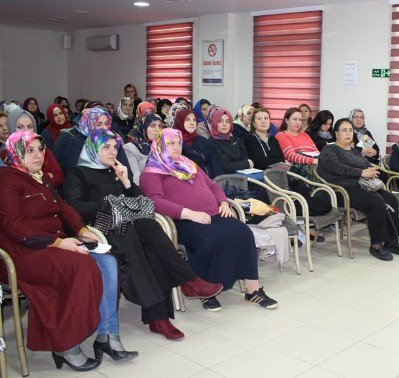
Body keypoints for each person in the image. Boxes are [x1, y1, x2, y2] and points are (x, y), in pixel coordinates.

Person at [62, 129, 223, 339]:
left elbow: (144, 202)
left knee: (149, 234)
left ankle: (161, 317)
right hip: (101, 229)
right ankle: (185, 285)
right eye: (106, 147)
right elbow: (73, 207)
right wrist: (107, 205)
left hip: (130, 225)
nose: (112, 152)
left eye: (114, 147)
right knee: (144, 232)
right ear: (92, 149)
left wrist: (127, 182)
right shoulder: (78, 174)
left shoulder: (115, 172)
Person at [0, 131, 137, 371]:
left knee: (107, 261)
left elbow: (64, 209)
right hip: (21, 253)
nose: (37, 155)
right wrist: (59, 243)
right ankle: (66, 343)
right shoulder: (7, 179)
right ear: (14, 153)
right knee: (83, 265)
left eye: (40, 149)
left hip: (53, 245)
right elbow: (14, 226)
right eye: (29, 150)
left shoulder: (40, 178)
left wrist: (82, 229)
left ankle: (107, 335)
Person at [140, 128, 278, 310]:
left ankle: (253, 291)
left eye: (178, 143)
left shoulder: (188, 164)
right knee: (211, 238)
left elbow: (213, 186)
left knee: (243, 232)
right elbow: (154, 202)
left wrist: (223, 203)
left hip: (214, 214)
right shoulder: (152, 171)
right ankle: (208, 291)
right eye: (170, 143)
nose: (176, 148)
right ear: (159, 145)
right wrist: (189, 213)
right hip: (182, 221)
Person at [317, 118, 399, 261]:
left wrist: (370, 170)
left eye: (350, 130)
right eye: (344, 130)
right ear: (336, 133)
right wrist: (361, 173)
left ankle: (392, 241)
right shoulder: (330, 149)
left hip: (363, 185)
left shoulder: (354, 150)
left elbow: (365, 163)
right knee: (377, 202)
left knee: (391, 199)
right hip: (343, 189)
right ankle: (376, 245)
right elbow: (336, 168)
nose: (348, 133)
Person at [54, 107, 133, 178]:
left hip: (113, 184)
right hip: (88, 188)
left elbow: (127, 171)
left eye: (106, 124)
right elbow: (72, 173)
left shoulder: (113, 140)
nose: (104, 128)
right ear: (89, 124)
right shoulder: (77, 142)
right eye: (99, 124)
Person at [4, 108, 64, 187]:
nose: (26, 130)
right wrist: (47, 176)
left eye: (30, 126)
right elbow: (17, 185)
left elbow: (59, 176)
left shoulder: (41, 148)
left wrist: (39, 179)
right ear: (11, 128)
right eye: (20, 127)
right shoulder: (5, 154)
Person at [206, 106, 255, 178]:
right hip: (224, 181)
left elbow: (245, 159)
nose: (224, 124)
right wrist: (245, 164)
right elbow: (226, 166)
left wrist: (242, 164)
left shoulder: (236, 140)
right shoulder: (211, 143)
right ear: (215, 123)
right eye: (220, 121)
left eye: (227, 121)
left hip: (242, 177)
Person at [124, 114, 163, 185]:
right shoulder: (130, 148)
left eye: (160, 126)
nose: (157, 130)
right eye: (152, 126)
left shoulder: (162, 146)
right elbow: (136, 179)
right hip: (144, 189)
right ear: (143, 127)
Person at [174, 108, 214, 176]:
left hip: (209, 180)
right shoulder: (175, 142)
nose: (192, 123)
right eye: (187, 119)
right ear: (180, 121)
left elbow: (213, 163)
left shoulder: (202, 140)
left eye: (194, 120)